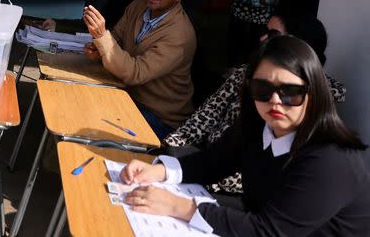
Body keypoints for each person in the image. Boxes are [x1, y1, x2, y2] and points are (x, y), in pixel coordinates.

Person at [120, 36, 370, 236]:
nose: (275, 100)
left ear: (313, 94)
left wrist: (178, 207)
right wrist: (159, 171)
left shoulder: (331, 159)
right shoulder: (258, 126)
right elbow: (212, 162)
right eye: (263, 89)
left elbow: (269, 231)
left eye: (290, 91)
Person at [164, 12, 346, 194]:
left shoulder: (310, 102)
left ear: (297, 46)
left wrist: (191, 190)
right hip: (209, 164)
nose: (275, 100)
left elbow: (266, 174)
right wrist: (167, 148)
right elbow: (204, 120)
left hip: (234, 189)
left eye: (273, 34)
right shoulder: (245, 76)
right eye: (262, 89)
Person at [83, 0, 196, 139]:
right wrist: (98, 49)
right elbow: (116, 39)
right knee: (79, 103)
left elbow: (136, 73)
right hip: (127, 96)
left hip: (160, 118)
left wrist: (102, 38)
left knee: (90, 123)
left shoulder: (180, 35)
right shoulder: (138, 5)